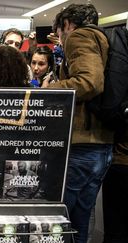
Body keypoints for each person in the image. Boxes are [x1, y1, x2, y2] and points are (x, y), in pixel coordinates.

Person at [41, 4, 113, 243]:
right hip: (99, 144)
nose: (60, 38)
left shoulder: (79, 36)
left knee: (60, 219)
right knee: (81, 217)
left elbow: (89, 82)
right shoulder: (102, 40)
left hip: (80, 144)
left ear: (68, 24)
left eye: (60, 32)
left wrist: (49, 90)